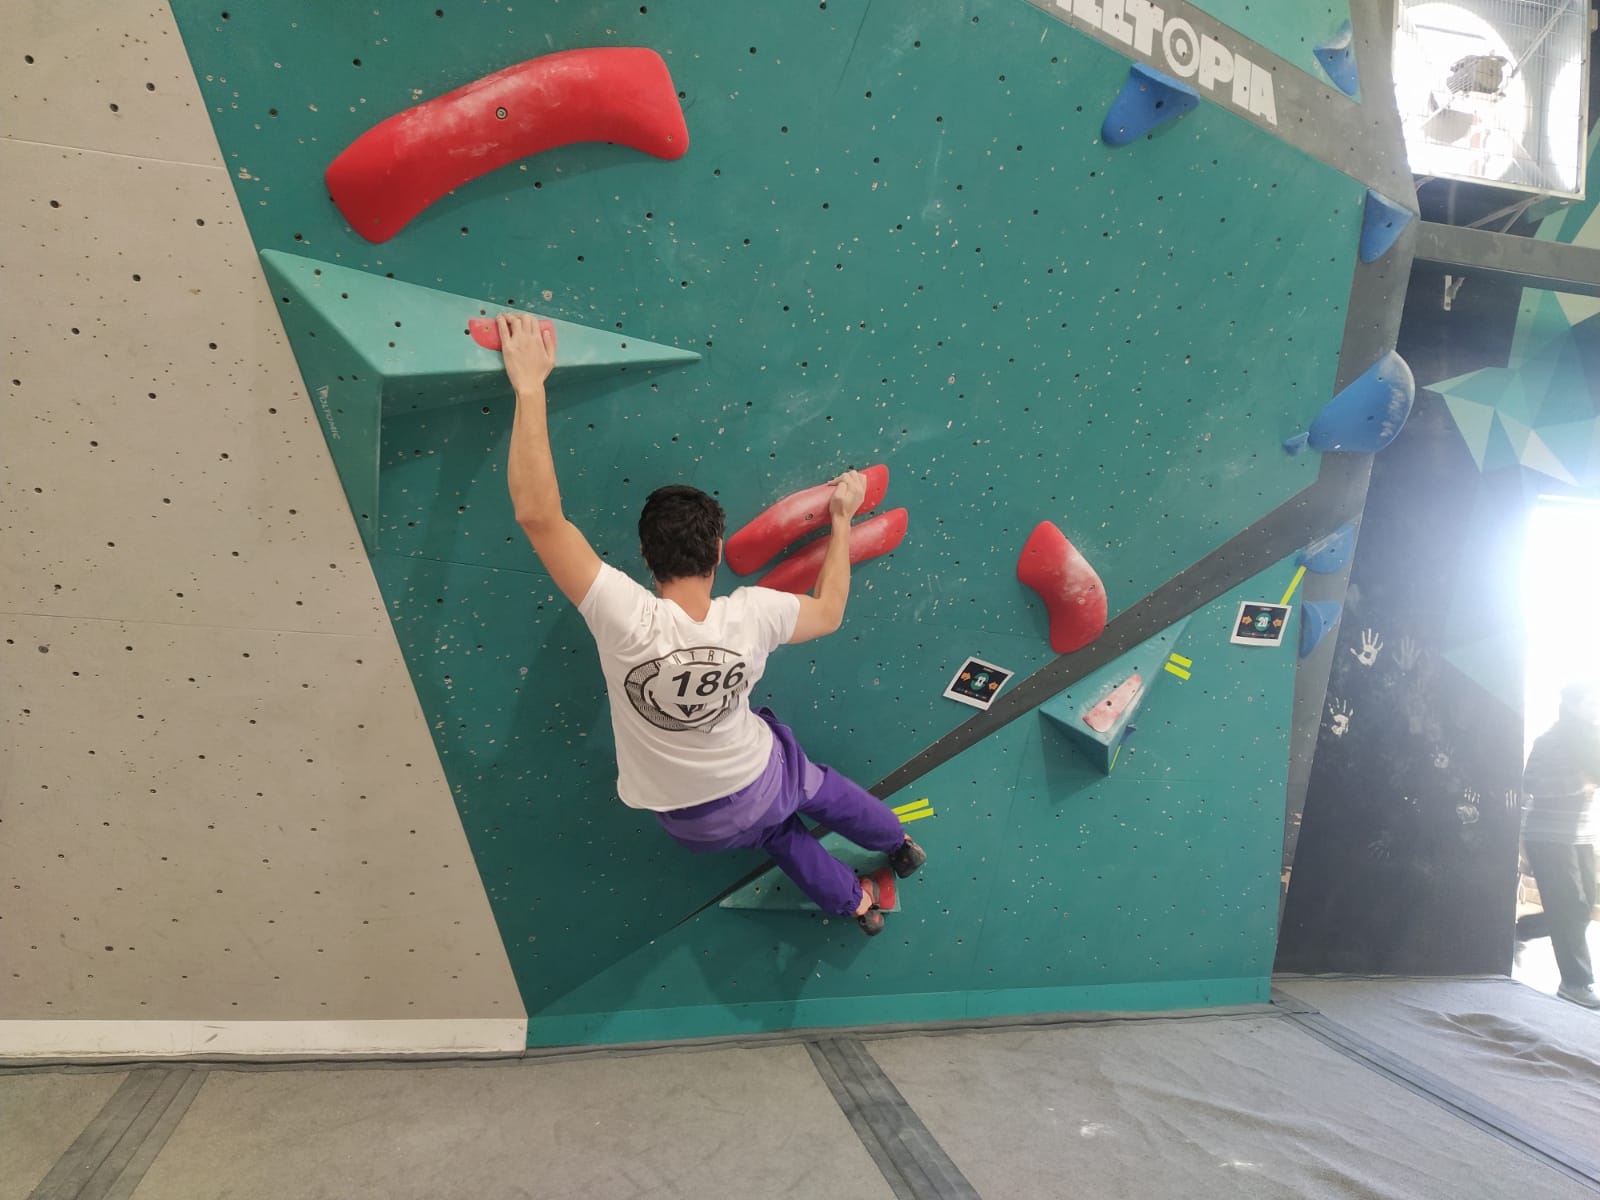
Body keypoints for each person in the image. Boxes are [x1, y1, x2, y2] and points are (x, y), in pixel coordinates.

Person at [497, 312, 925, 935]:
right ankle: (900, 847)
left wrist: (529, 386)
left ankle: (856, 904)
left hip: (691, 824)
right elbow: (829, 612)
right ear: (719, 551)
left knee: (777, 834)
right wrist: (840, 517)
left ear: (644, 558)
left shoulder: (624, 615)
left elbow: (540, 516)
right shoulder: (754, 613)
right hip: (760, 781)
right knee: (810, 783)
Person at [1516, 682, 1600, 1008]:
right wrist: (1581, 782)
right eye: (1590, 702)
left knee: (1581, 907)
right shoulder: (1548, 741)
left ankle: (1523, 930)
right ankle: (1575, 984)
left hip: (1581, 835)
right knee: (1569, 906)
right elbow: (1531, 783)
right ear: (1571, 704)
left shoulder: (1591, 741)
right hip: (1547, 835)